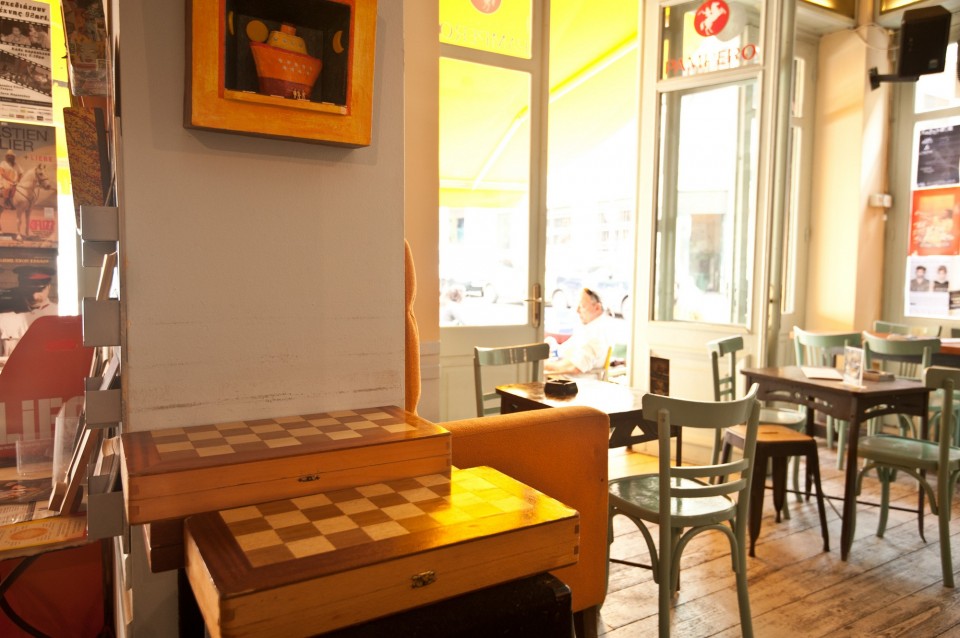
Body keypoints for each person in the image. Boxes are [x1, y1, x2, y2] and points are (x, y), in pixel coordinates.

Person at [544, 287, 612, 376]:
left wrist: (544, 365)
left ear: (597, 308)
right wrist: (554, 347)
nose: (577, 310)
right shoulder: (590, 328)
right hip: (562, 375)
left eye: (582, 306)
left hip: (572, 381)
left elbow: (575, 367)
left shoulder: (596, 335)